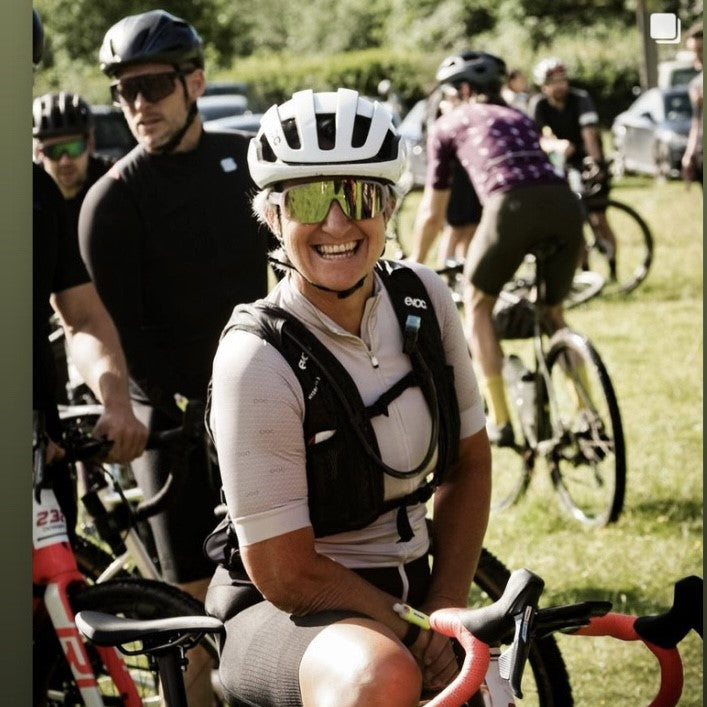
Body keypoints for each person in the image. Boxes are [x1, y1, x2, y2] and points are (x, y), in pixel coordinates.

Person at [204, 88, 491, 706]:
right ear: (274, 216)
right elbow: (286, 572)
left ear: (388, 206)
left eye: (359, 195)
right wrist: (415, 631)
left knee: (488, 687)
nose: (337, 223)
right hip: (286, 611)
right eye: (309, 198)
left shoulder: (425, 298)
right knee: (378, 676)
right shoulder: (256, 357)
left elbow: (470, 463)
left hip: (417, 587)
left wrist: (444, 607)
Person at [78, 10, 269, 704]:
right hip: (177, 425)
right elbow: (112, 334)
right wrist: (170, 404)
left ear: (195, 81)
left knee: (290, 580)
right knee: (192, 614)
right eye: (123, 92)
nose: (138, 105)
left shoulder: (246, 160)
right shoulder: (111, 201)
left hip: (264, 401)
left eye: (153, 85)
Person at [410, 51, 584, 446]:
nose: (446, 102)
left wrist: (414, 265)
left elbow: (433, 213)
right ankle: (586, 410)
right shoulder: (519, 116)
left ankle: (501, 422)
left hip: (510, 207)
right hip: (565, 204)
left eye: (449, 94)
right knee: (554, 314)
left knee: (477, 305)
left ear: (465, 90)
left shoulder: (447, 124)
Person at [32, 10, 148, 520]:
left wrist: (116, 400)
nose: (64, 161)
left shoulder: (37, 194)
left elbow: (81, 315)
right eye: (51, 151)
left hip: (42, 445)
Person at [528, 57, 617, 274]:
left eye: (563, 80)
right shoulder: (539, 104)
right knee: (574, 223)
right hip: (565, 165)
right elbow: (536, 137)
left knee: (599, 219)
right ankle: (585, 272)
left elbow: (589, 133)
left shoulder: (580, 99)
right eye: (554, 81)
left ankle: (614, 268)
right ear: (544, 86)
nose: (560, 85)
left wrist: (596, 164)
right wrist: (557, 145)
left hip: (589, 160)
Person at [410, 80, 482, 267]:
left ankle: (463, 268)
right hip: (451, 173)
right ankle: (445, 268)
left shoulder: (468, 100)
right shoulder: (439, 105)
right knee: (454, 226)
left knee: (471, 225)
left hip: (469, 171)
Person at [33, 92, 114, 237]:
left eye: (74, 148)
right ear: (39, 153)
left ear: (90, 144)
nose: (65, 161)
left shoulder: (114, 182)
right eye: (55, 151)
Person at [681, 23, 703, 189]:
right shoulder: (696, 85)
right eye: (693, 51)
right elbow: (697, 122)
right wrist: (689, 154)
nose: (697, 56)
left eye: (701, 50)